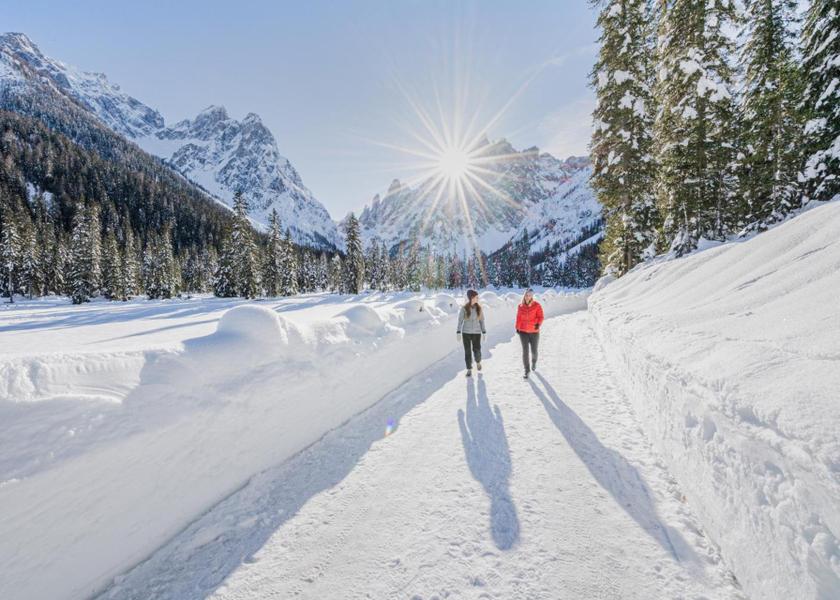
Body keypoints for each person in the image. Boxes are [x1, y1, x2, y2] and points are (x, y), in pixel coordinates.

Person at [457, 289, 486, 377]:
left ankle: (478, 362)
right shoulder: (464, 308)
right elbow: (460, 321)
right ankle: (469, 368)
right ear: (471, 298)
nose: (477, 298)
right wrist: (458, 331)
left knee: (477, 350)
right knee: (467, 351)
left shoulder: (479, 308)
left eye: (477, 297)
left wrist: (484, 331)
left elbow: (482, 321)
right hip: (466, 333)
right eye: (476, 297)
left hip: (477, 333)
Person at [515, 288, 543, 379]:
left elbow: (541, 317)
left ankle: (534, 362)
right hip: (523, 332)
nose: (528, 297)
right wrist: (517, 328)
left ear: (532, 296)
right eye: (527, 295)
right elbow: (518, 317)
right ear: (524, 295)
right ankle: (527, 370)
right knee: (525, 351)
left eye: (530, 295)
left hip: (534, 332)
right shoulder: (520, 306)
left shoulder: (537, 305)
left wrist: (538, 324)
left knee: (534, 351)